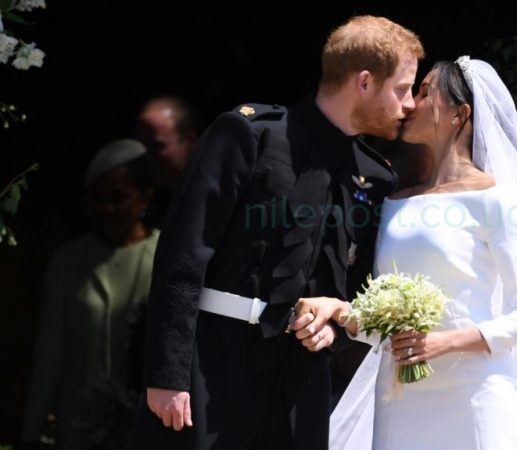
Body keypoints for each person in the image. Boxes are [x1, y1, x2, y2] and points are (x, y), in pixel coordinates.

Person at [126, 15, 424, 450]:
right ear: (364, 82)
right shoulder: (250, 136)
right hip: (212, 364)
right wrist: (167, 375)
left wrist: (334, 332)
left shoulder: (375, 178)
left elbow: (359, 289)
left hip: (300, 385)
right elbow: (183, 256)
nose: (410, 104)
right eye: (402, 89)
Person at [292, 57, 517, 449]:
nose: (411, 103)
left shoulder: (498, 200)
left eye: (425, 93)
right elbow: (388, 328)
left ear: (460, 114)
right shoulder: (394, 203)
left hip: (475, 395)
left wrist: (444, 342)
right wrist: (339, 310)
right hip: (399, 400)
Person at [20, 139, 159, 450]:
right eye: (97, 199)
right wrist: (30, 433)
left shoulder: (165, 256)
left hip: (145, 428)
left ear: (145, 196)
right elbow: (50, 354)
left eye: (118, 197)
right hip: (78, 430)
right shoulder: (68, 261)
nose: (107, 208)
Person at [135, 95, 201, 228]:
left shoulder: (215, 197)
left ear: (190, 140)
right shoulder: (141, 207)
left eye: (157, 146)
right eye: (141, 147)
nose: (146, 156)